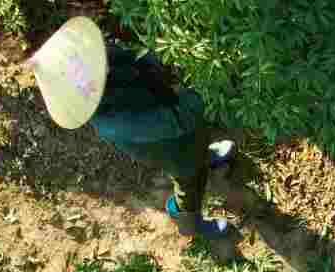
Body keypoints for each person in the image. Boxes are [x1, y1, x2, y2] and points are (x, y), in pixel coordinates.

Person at [27, 17, 237, 238]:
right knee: (190, 182)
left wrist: (165, 58)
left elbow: (138, 57)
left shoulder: (104, 60)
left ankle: (205, 155)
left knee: (198, 142)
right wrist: (208, 93)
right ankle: (188, 223)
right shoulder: (112, 122)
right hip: (172, 149)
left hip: (173, 113)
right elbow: (175, 120)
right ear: (79, 92)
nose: (100, 58)